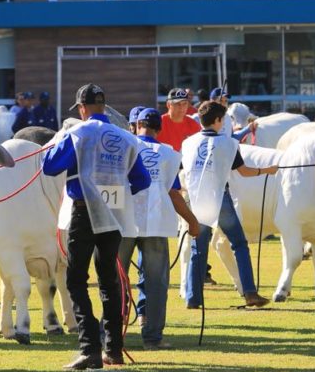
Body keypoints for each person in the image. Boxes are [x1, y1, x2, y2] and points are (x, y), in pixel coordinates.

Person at [43, 84, 151, 371]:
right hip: (114, 215)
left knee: (76, 280)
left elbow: (50, 167)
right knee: (109, 280)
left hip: (84, 212)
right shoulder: (126, 137)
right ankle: (113, 348)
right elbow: (142, 181)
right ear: (103, 107)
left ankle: (89, 348)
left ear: (81, 109)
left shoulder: (77, 133)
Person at [118, 108, 201, 350]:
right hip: (156, 223)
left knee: (115, 279)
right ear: (159, 128)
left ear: (137, 125)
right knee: (156, 282)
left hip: (123, 223)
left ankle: (111, 335)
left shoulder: (124, 146)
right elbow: (174, 193)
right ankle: (152, 338)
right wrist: (192, 221)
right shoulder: (169, 154)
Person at [182, 101, 277, 309]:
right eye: (222, 119)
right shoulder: (229, 144)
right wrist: (267, 170)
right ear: (218, 120)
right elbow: (244, 172)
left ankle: (193, 298)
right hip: (219, 198)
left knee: (199, 248)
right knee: (239, 245)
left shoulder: (187, 143)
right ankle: (250, 292)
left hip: (196, 200)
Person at [158, 87, 200, 152]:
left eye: (184, 104)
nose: (182, 107)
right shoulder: (158, 123)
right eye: (177, 104)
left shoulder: (193, 124)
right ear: (168, 105)